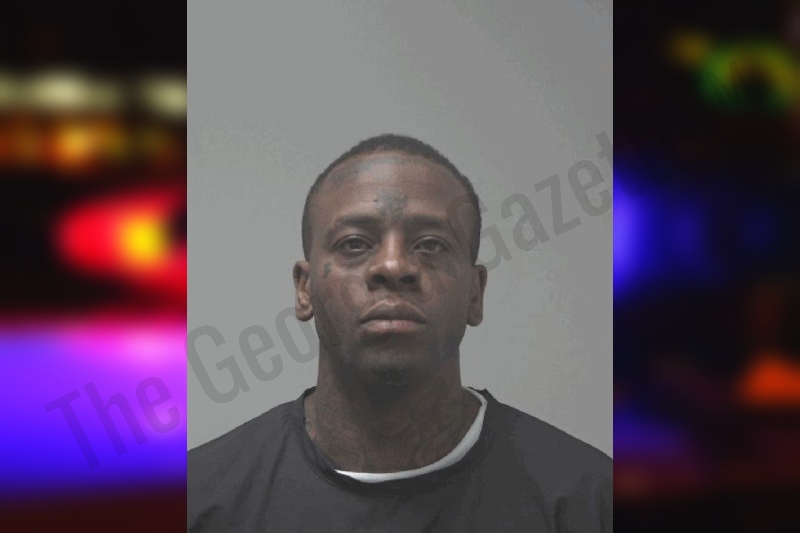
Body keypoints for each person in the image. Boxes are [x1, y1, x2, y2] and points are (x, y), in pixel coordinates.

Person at [188, 134, 612, 532]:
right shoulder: (198, 500)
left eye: (430, 244)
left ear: (475, 293)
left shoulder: (589, 501)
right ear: (305, 289)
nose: (393, 266)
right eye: (354, 243)